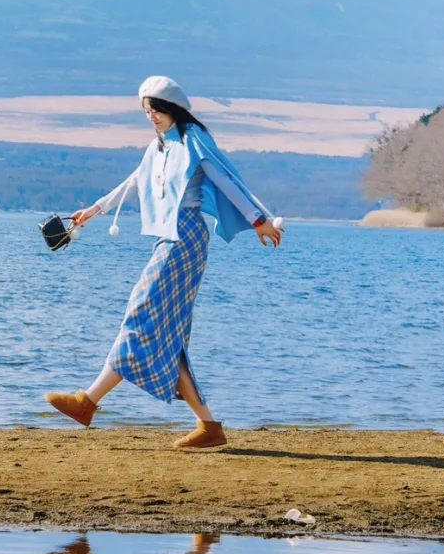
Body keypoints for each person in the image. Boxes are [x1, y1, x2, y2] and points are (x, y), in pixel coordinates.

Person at [45, 75, 282, 451]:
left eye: (156, 109)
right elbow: (134, 182)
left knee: (140, 313)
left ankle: (87, 402)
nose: (151, 116)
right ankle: (208, 427)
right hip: (165, 239)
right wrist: (94, 210)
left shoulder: (192, 140)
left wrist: (258, 220)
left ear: (172, 108)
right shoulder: (157, 147)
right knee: (164, 333)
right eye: (146, 111)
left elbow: (224, 179)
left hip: (186, 238)